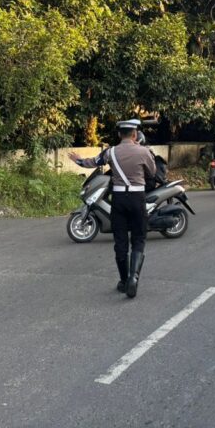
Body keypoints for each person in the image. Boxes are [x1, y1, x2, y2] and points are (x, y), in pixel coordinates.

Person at [69, 119, 156, 298]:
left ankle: (124, 281)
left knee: (120, 241)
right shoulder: (144, 152)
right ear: (135, 134)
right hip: (137, 198)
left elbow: (92, 162)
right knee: (138, 239)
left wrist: (78, 160)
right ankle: (134, 278)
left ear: (119, 134)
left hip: (119, 199)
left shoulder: (111, 152)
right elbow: (152, 173)